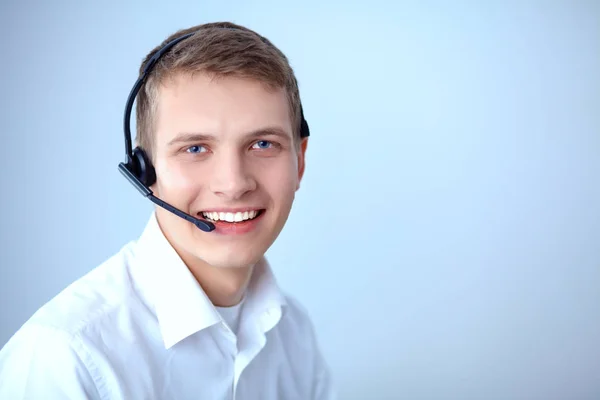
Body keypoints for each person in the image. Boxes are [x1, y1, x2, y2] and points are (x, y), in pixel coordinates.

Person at [0, 21, 334, 399]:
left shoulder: (293, 335)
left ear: (300, 163)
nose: (234, 183)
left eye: (262, 144)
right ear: (144, 172)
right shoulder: (66, 359)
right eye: (195, 149)